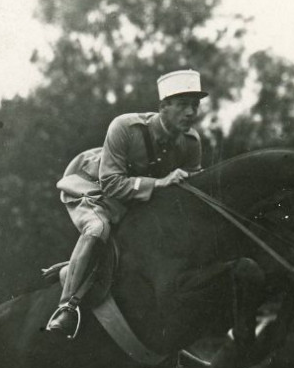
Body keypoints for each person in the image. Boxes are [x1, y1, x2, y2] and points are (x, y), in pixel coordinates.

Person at [46, 69, 208, 338]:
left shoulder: (191, 142)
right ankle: (67, 307)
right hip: (91, 190)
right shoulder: (125, 127)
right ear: (163, 107)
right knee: (99, 230)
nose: (191, 113)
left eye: (195, 105)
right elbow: (111, 184)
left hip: (134, 201)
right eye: (182, 105)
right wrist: (159, 183)